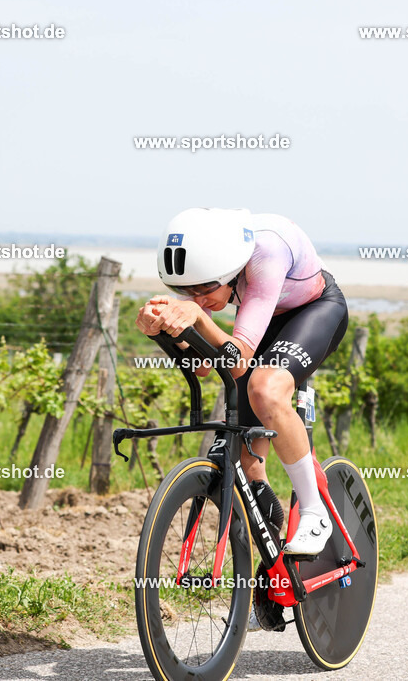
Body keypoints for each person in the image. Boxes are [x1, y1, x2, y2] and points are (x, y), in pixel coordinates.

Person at [136, 207, 349, 556]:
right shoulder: (208, 274)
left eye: (204, 289)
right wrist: (162, 328)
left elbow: (238, 362)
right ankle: (274, 583)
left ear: (231, 270)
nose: (198, 299)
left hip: (311, 312)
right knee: (248, 463)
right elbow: (204, 365)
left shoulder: (267, 252)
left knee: (265, 389)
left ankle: (314, 512)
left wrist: (199, 322)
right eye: (184, 290)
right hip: (259, 318)